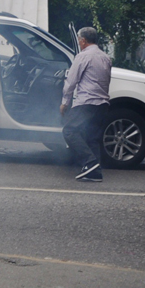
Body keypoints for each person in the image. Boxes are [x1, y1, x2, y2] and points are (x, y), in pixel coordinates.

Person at [60, 27, 112, 182]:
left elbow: (71, 82)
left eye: (78, 39)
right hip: (102, 104)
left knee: (69, 130)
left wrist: (65, 102)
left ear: (83, 41)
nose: (78, 42)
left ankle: (90, 163)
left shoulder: (82, 57)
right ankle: (95, 172)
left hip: (87, 103)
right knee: (92, 138)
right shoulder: (106, 58)